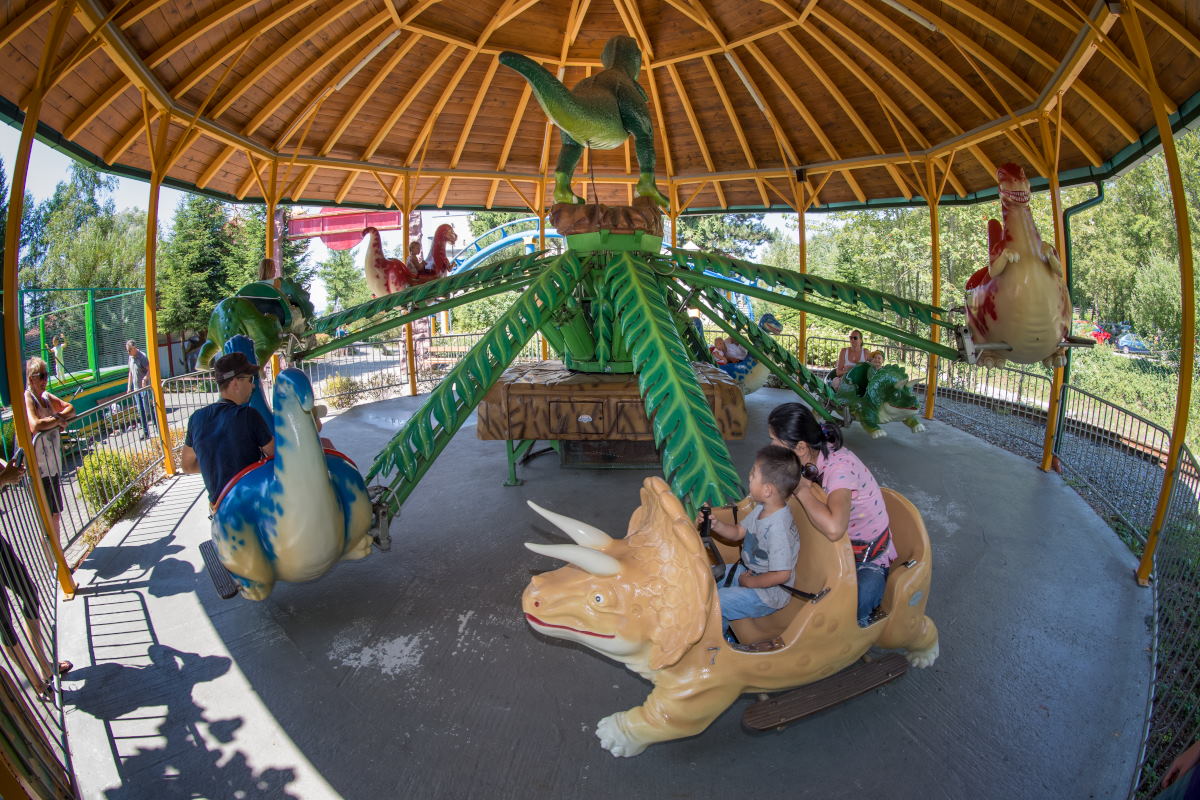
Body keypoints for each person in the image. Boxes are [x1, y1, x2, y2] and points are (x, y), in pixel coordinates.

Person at [768, 402, 894, 627]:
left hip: (866, 556)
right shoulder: (810, 454)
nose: (771, 446)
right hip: (832, 548)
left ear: (801, 447)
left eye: (775, 441)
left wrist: (802, 490)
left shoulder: (840, 469)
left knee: (848, 610)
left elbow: (835, 529)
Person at [706, 445, 802, 642]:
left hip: (769, 593)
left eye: (753, 474)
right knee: (706, 577)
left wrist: (749, 583)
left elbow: (782, 574)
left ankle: (717, 645)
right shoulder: (762, 508)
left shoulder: (778, 529)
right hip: (749, 572)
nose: (749, 478)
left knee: (717, 604)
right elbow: (738, 532)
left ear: (767, 490)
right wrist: (716, 524)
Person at [181, 352, 275, 511]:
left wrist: (216, 465)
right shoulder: (248, 415)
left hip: (221, 510)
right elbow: (277, 455)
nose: (253, 385)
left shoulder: (196, 419)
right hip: (252, 505)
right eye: (250, 379)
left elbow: (187, 466)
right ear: (236, 383)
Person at [23, 357, 74, 545]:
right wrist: (57, 421)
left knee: (56, 514)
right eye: (41, 376)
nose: (45, 380)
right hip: (39, 468)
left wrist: (57, 417)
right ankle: (52, 557)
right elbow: (35, 424)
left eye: (46, 375)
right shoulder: (28, 397)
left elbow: (71, 409)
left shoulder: (45, 397)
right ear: (31, 378)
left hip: (52, 465)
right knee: (47, 520)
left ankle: (58, 553)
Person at [126, 340, 154, 440]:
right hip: (136, 388)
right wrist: (129, 387)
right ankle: (146, 432)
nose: (128, 352)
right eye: (127, 350)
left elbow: (150, 369)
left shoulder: (142, 357)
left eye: (129, 350)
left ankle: (157, 427)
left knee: (149, 408)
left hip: (144, 388)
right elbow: (130, 372)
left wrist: (145, 378)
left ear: (134, 348)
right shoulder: (130, 357)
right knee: (140, 410)